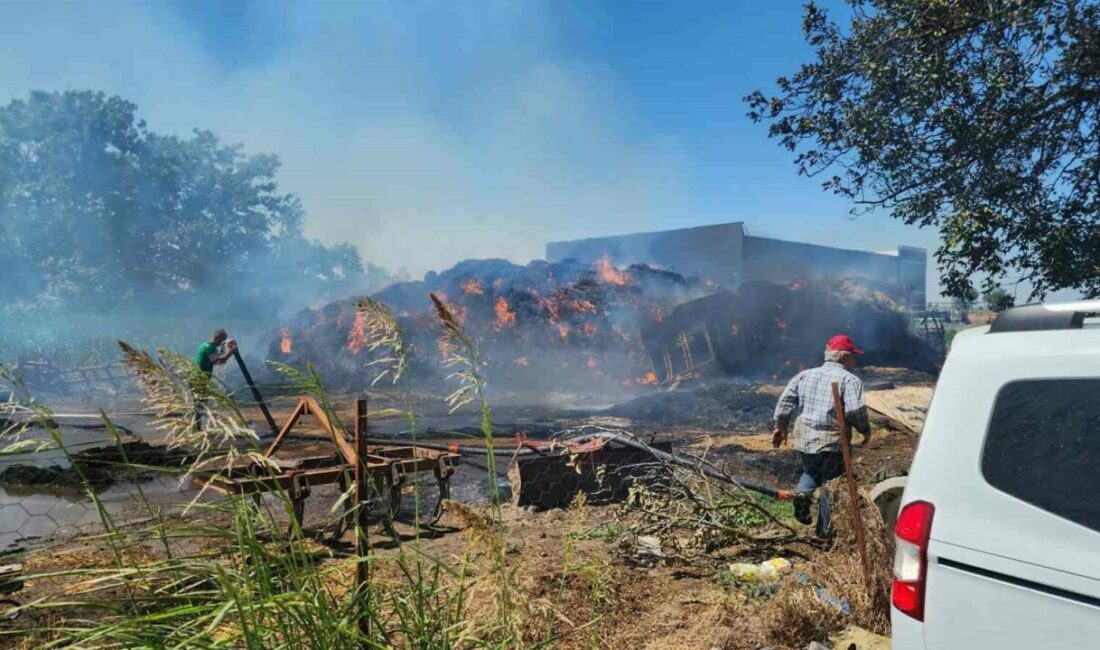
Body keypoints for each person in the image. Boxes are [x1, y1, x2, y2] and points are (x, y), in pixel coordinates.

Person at [772, 334, 870, 537]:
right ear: (843, 358)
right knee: (829, 485)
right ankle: (825, 532)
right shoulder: (850, 380)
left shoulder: (804, 375)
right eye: (853, 357)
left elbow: (784, 402)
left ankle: (802, 495)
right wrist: (865, 430)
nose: (855, 361)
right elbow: (855, 411)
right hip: (832, 442)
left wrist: (780, 427)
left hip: (804, 438)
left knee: (810, 471)